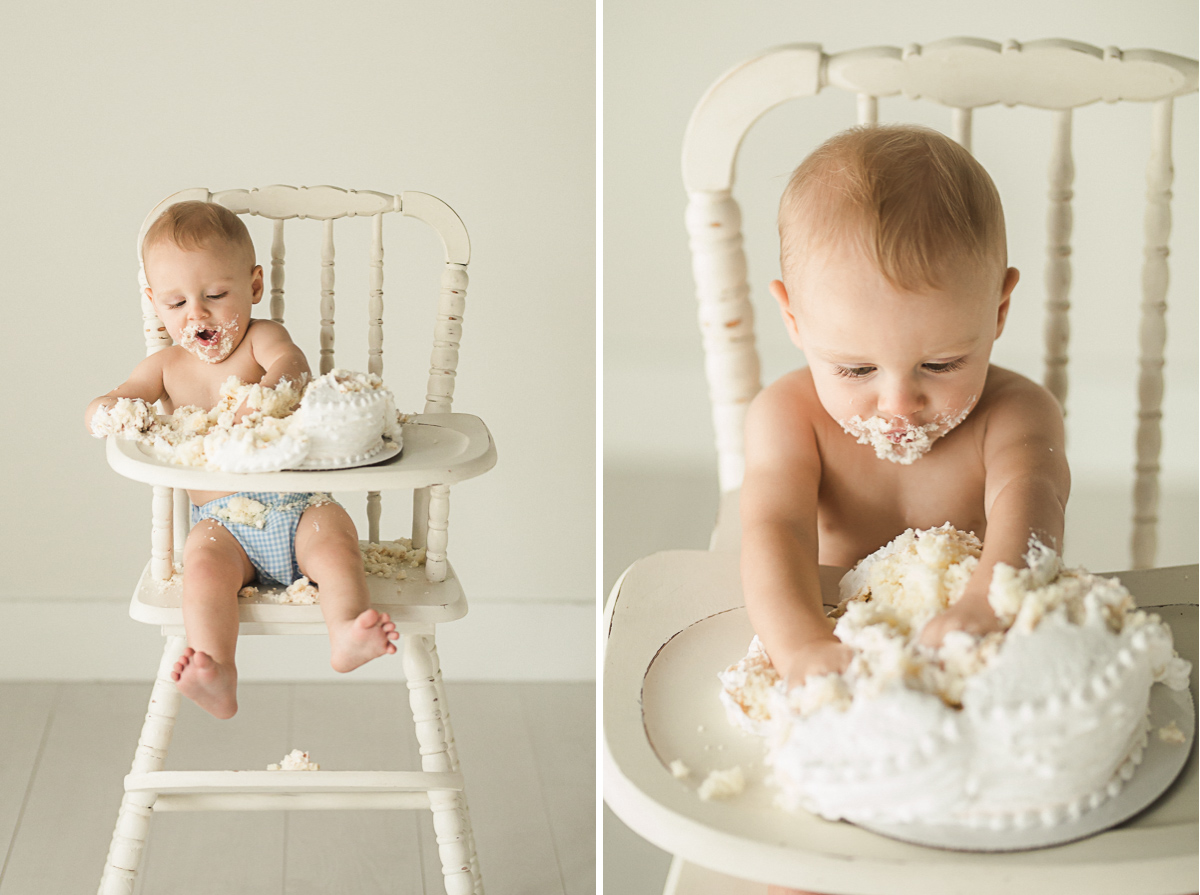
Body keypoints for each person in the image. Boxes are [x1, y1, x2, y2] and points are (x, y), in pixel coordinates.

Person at [85, 201, 397, 719]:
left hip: (296, 506)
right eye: (176, 302)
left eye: (215, 295)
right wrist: (108, 412)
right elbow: (118, 398)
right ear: (153, 303)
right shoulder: (163, 366)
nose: (197, 315)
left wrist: (270, 392)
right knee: (202, 573)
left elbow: (292, 365)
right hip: (223, 526)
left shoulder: (261, 339)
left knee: (336, 538)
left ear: (253, 287)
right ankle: (218, 669)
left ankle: (345, 629)